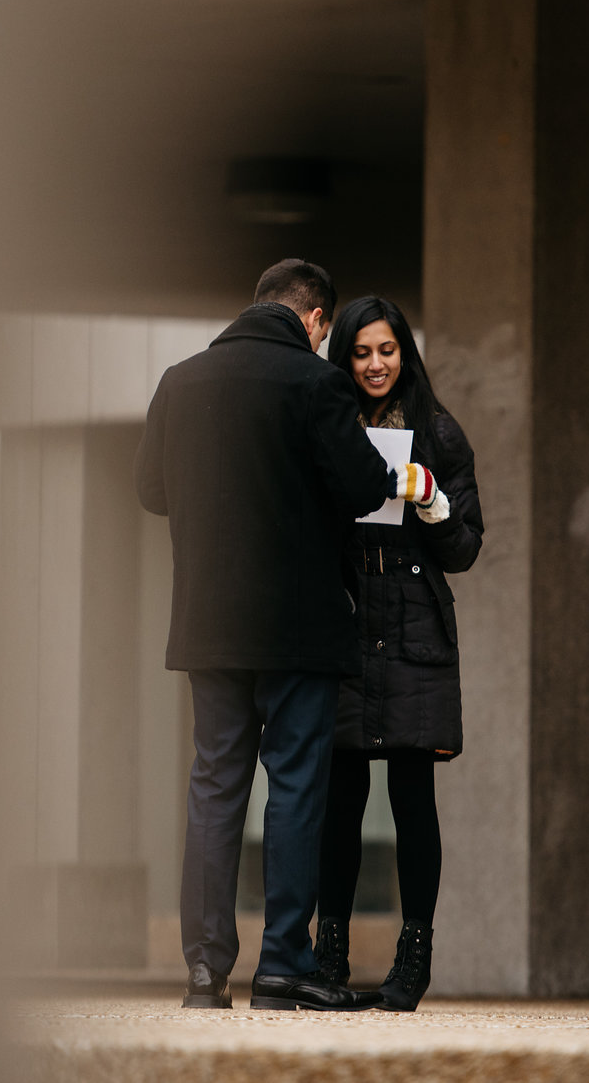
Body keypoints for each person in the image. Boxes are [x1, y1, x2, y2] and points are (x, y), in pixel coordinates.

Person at [135, 261, 439, 1012]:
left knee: (214, 785)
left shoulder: (180, 379)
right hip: (300, 625)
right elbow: (366, 483)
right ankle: (282, 965)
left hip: (209, 622)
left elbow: (150, 490)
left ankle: (205, 971)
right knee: (296, 786)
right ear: (315, 319)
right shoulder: (315, 383)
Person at [313, 295, 484, 1011]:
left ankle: (414, 955)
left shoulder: (438, 431)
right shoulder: (325, 426)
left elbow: (467, 547)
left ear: (403, 354)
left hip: (414, 623)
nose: (375, 364)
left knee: (413, 796)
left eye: (387, 350)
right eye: (361, 352)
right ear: (344, 358)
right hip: (349, 623)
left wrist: (434, 503)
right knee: (340, 797)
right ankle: (330, 953)